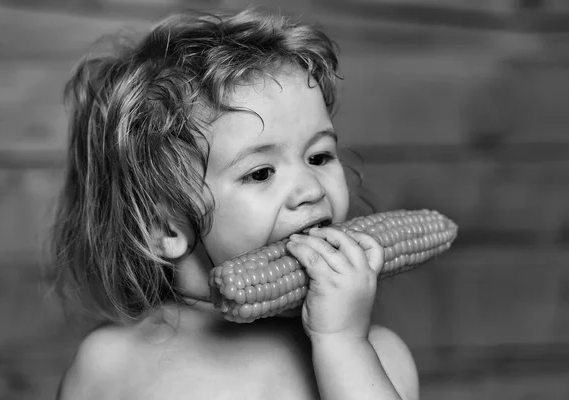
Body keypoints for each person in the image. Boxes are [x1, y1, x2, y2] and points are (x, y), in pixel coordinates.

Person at [51, 7, 419, 400]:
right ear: (165, 227)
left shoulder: (376, 355)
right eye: (260, 173)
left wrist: (342, 342)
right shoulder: (108, 363)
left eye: (319, 157)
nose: (312, 189)